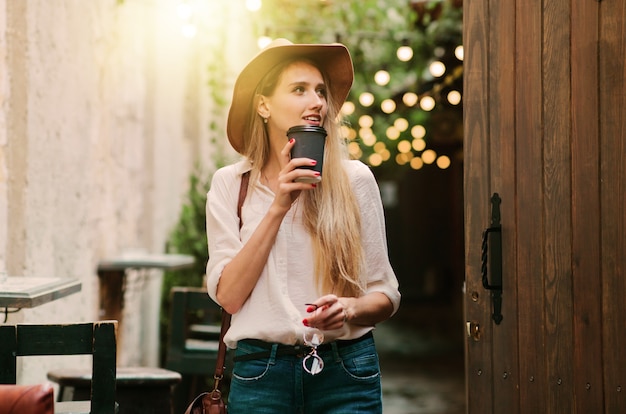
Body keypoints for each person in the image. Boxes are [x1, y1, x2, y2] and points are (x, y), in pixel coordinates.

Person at [205, 38, 401, 413]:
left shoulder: (355, 180)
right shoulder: (232, 185)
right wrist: (279, 205)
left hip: (346, 372)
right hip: (262, 374)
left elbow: (385, 294)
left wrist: (348, 309)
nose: (318, 102)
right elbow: (229, 296)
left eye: (321, 92)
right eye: (299, 90)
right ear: (263, 104)